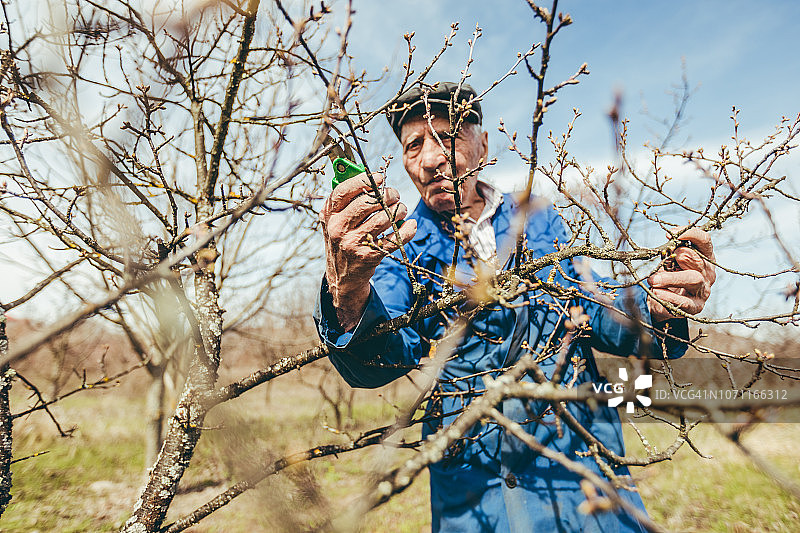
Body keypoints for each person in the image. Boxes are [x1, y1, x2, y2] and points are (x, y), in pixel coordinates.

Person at [314, 82, 716, 532]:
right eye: (413, 145)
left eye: (446, 136)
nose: (430, 159)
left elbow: (596, 308)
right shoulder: (402, 249)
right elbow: (377, 357)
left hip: (574, 458)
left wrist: (653, 303)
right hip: (475, 486)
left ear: (483, 144)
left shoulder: (537, 218)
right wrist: (347, 295)